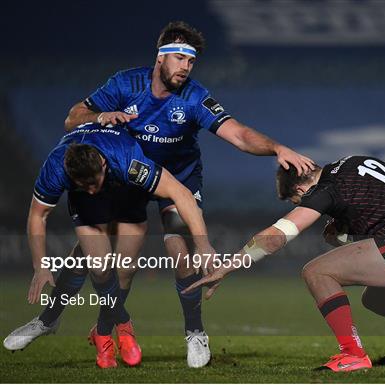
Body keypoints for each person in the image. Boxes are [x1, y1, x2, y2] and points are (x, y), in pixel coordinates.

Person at [9, 21, 314, 368]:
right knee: (90, 255)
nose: (186, 67)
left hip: (177, 181)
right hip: (127, 175)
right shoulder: (125, 84)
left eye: (191, 61)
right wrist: (100, 115)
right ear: (160, 58)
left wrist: (275, 148)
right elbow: (72, 119)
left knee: (180, 250)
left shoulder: (195, 97)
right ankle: (49, 320)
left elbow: (240, 135)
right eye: (180, 58)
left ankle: (194, 333)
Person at [183, 156, 385, 372]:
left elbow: (277, 236)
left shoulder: (326, 190)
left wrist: (229, 266)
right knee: (378, 300)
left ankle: (352, 354)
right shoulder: (355, 163)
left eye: (297, 202)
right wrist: (344, 232)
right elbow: (383, 210)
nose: (304, 205)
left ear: (301, 190)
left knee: (316, 271)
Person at [4, 124, 215, 369]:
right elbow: (37, 216)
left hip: (127, 192)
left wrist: (203, 244)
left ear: (103, 165)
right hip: (86, 205)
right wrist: (40, 266)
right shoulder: (56, 167)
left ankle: (102, 331)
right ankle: (116, 324)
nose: (92, 190)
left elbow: (181, 194)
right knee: (99, 265)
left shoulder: (128, 161)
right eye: (84, 185)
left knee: (124, 269)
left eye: (93, 183)